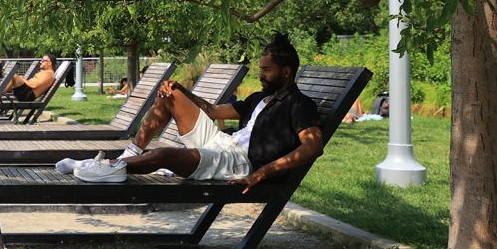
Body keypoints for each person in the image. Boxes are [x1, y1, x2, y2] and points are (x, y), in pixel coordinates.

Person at [75, 33, 322, 188]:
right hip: (222, 142)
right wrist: (183, 91)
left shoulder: (299, 104)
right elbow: (213, 111)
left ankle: (110, 167)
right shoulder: (261, 97)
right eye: (261, 69)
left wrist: (265, 171)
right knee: (170, 94)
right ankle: (127, 155)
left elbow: (313, 146)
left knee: (164, 155)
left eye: (266, 70)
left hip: (237, 162)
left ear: (286, 71)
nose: (261, 74)